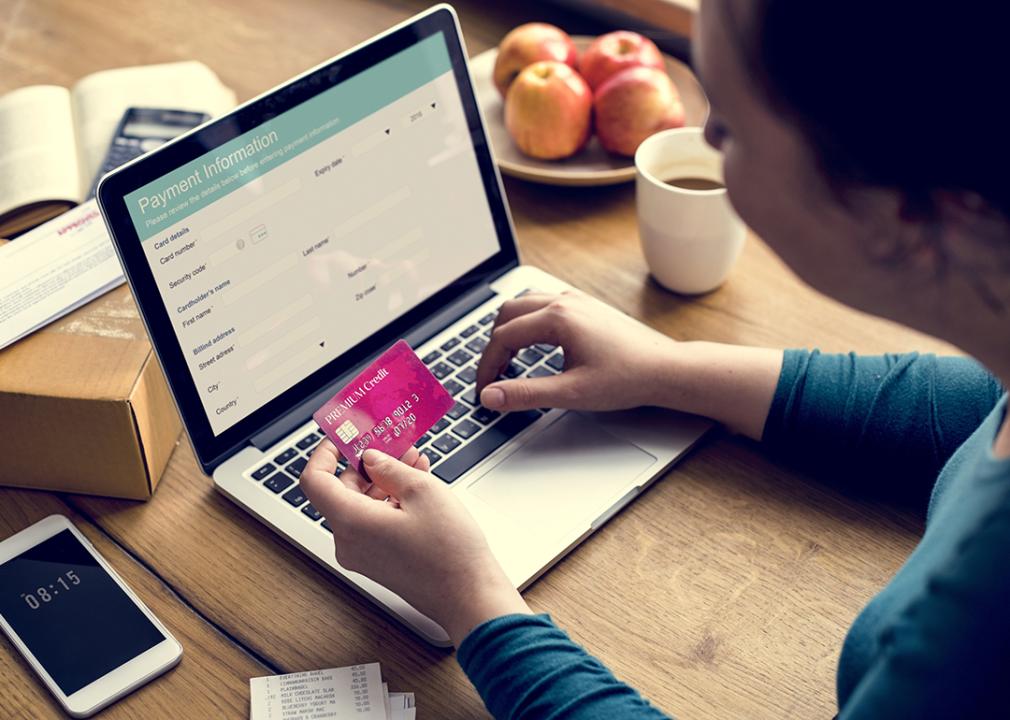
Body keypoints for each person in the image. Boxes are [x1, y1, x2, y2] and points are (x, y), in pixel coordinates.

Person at [301, 0, 1010, 716]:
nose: (701, 134)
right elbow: (981, 404)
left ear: (910, 211)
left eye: (728, 127)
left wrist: (475, 604)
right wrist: (673, 368)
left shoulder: (977, 633)